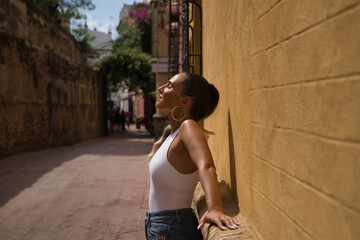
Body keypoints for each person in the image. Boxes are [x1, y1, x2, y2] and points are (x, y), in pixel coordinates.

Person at [145, 73, 240, 240]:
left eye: (168, 86)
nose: (160, 88)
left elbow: (207, 165)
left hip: (173, 228)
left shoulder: (188, 127)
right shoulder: (172, 134)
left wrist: (215, 209)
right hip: (161, 226)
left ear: (184, 102)